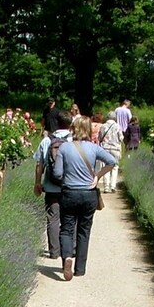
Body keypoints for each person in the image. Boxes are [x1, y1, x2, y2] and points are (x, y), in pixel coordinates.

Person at [52, 116, 117, 281]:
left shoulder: (65, 148)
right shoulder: (94, 148)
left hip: (69, 193)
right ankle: (80, 268)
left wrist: (68, 175)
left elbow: (57, 173)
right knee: (84, 230)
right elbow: (112, 161)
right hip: (89, 194)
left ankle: (67, 257)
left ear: (73, 129)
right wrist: (98, 176)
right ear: (89, 130)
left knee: (66, 228)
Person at [34, 110, 73, 259]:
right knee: (69, 219)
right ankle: (68, 249)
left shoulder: (47, 141)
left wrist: (37, 182)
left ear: (56, 122)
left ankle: (54, 252)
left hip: (51, 187)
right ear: (70, 124)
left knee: (52, 218)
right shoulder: (74, 141)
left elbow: (39, 165)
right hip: (69, 187)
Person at [97, 111, 123, 193]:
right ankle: (113, 186)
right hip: (115, 149)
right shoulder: (118, 126)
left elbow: (99, 138)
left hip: (105, 148)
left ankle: (106, 187)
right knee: (115, 167)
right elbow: (121, 138)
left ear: (107, 117)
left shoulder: (103, 126)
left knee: (105, 167)